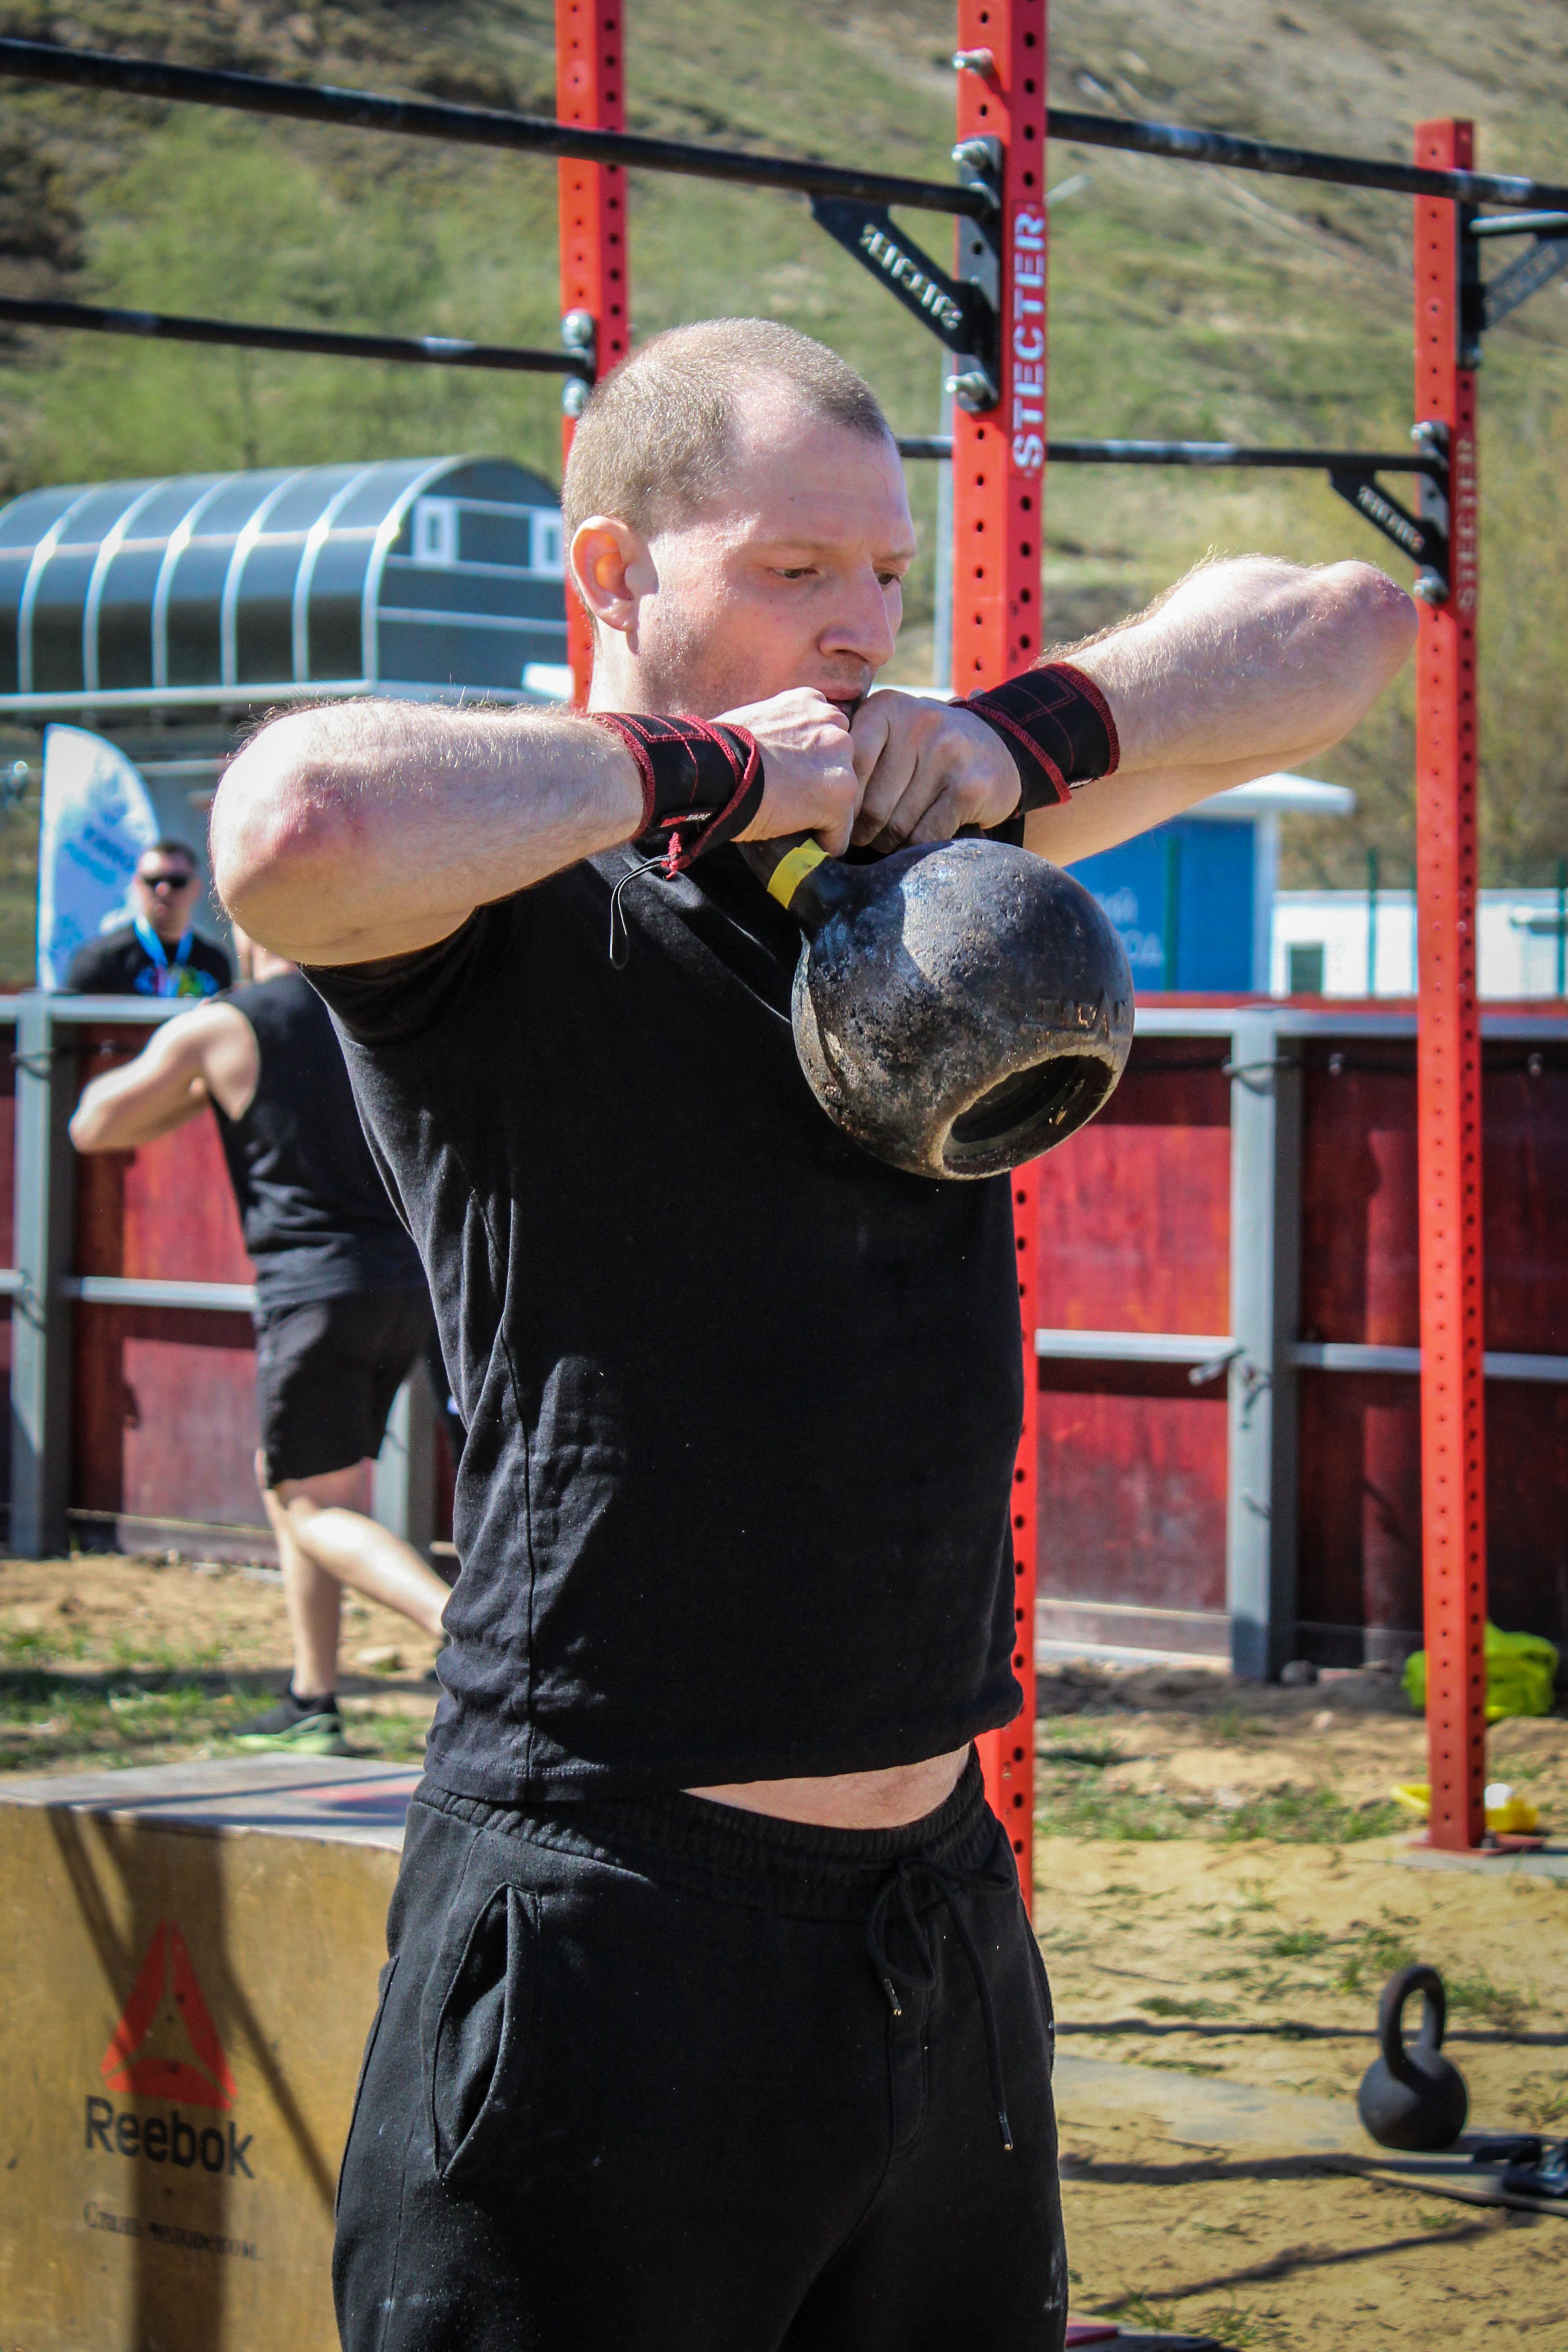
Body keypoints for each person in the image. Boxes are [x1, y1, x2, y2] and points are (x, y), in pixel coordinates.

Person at [212, 319, 1416, 2349]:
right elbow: (291, 825)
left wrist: (1023, 735)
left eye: (883, 572)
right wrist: (695, 770)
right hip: (605, 1902)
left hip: (934, 1910)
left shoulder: (916, 851)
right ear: (613, 574)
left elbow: (1347, 625)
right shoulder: (505, 907)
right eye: (793, 570)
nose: (860, 625)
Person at [68, 928, 451, 1756]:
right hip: (407, 1288)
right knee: (291, 1479)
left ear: (247, 926)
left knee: (310, 1505)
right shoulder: (372, 1001)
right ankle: (312, 1695)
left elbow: (93, 1126)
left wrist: (196, 1083)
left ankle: (467, 1637)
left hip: (315, 1292)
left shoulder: (226, 1024)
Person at [64, 836, 234, 998]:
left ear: (196, 888)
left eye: (177, 882)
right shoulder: (101, 961)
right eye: (153, 881)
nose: (163, 890)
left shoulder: (215, 962)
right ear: (137, 885)